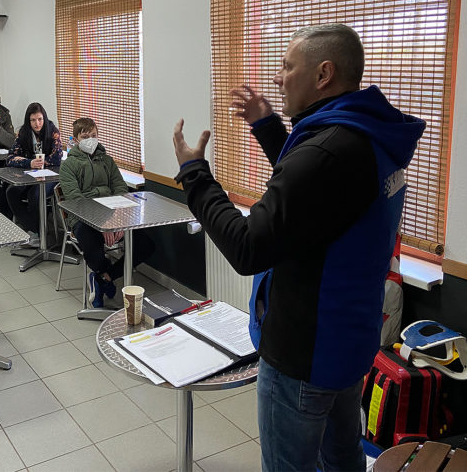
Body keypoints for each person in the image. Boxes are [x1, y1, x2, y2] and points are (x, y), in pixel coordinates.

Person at [172, 24, 426, 472]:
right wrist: (269, 128)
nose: (278, 77)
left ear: (324, 73)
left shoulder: (329, 151)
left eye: (288, 67)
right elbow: (317, 197)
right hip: (347, 342)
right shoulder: (369, 136)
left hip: (303, 358)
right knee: (343, 458)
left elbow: (250, 247)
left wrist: (194, 174)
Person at [60, 118, 154, 307]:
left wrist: (118, 221)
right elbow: (77, 201)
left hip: (112, 214)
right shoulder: (68, 165)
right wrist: (103, 227)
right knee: (91, 244)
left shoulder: (107, 161)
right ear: (77, 139)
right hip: (82, 219)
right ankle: (104, 276)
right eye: (85, 136)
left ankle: (104, 278)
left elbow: (120, 189)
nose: (90, 139)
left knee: (146, 244)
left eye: (93, 135)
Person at [5, 102, 62, 243]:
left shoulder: (52, 130)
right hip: (29, 174)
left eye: (40, 119)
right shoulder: (23, 133)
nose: (37, 124)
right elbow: (10, 158)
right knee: (11, 192)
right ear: (28, 120)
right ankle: (34, 229)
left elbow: (57, 157)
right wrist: (29, 162)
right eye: (33, 120)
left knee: (35, 195)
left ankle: (41, 234)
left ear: (44, 118)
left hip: (50, 176)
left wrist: (42, 162)